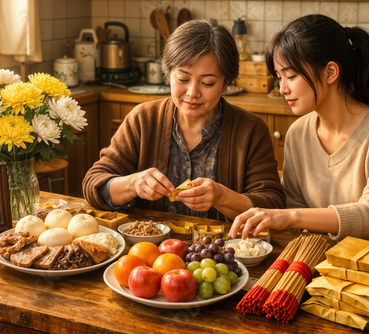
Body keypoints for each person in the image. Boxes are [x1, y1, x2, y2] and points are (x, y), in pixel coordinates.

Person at [229, 14, 369, 245]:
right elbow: (296, 206)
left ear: (331, 72)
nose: (282, 88)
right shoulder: (298, 133)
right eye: (279, 77)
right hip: (329, 261)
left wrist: (290, 216)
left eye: (291, 76)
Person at [82, 18, 285, 221]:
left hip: (221, 251)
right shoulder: (144, 119)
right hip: (148, 250)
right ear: (168, 75)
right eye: (183, 79)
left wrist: (223, 197)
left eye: (207, 83)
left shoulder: (250, 130)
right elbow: (94, 184)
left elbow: (273, 204)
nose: (192, 93)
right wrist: (133, 183)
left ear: (226, 84)